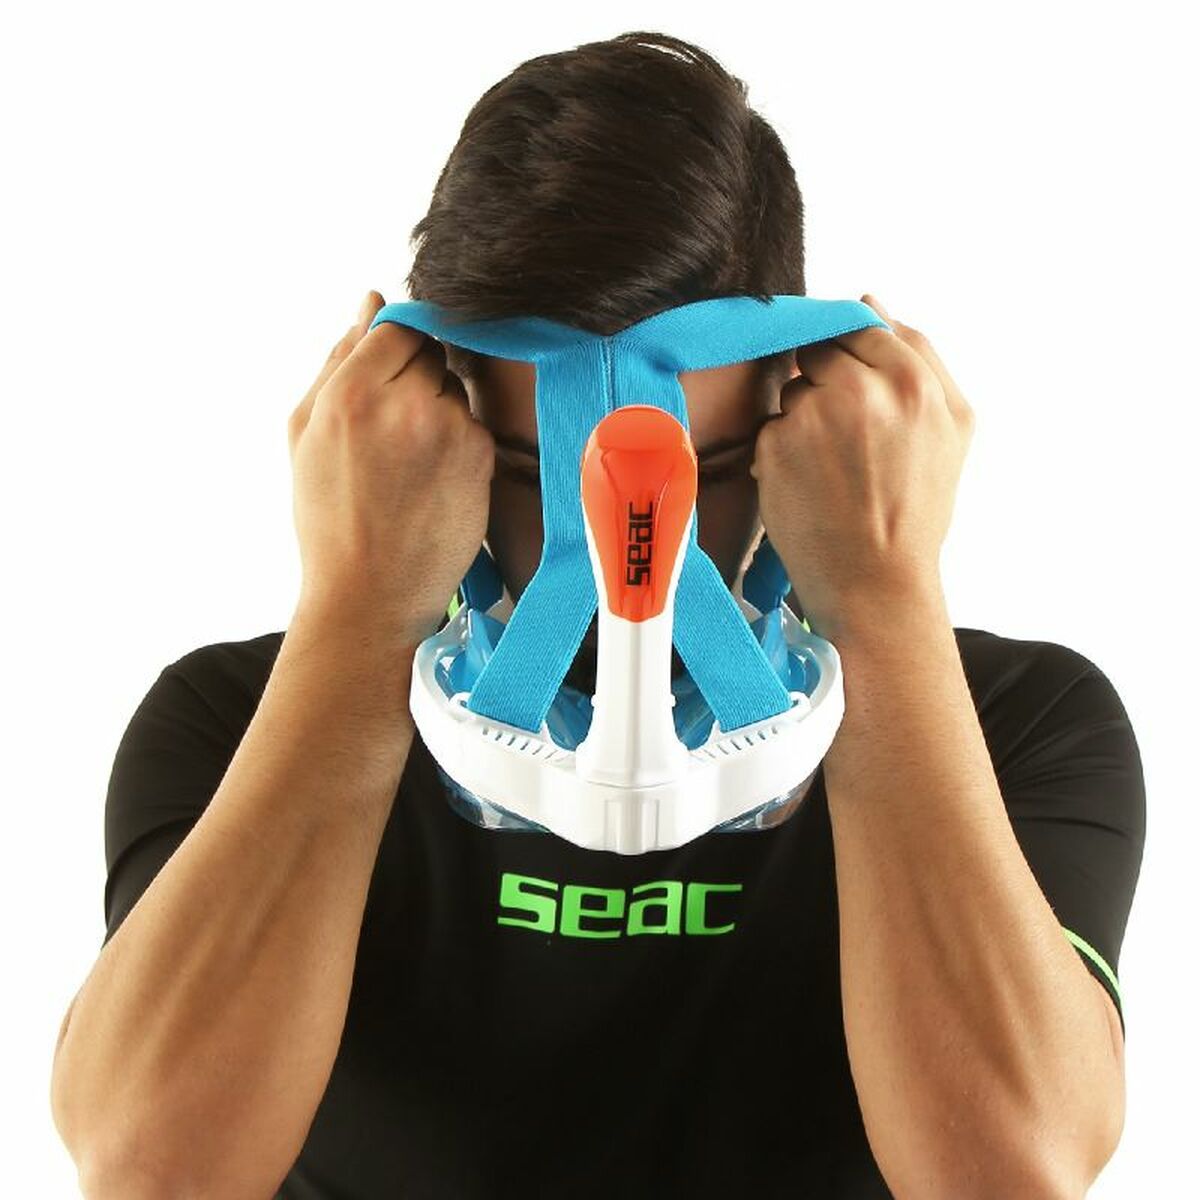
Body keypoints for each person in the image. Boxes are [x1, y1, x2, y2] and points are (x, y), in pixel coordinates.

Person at [49, 30, 1145, 1199]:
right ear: (425, 427)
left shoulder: (1017, 721)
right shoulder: (231, 721)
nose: (628, 570)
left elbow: (1013, 1174)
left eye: (709, 470)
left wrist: (885, 606)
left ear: (807, 419)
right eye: (531, 475)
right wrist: (356, 618)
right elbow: (151, 1170)